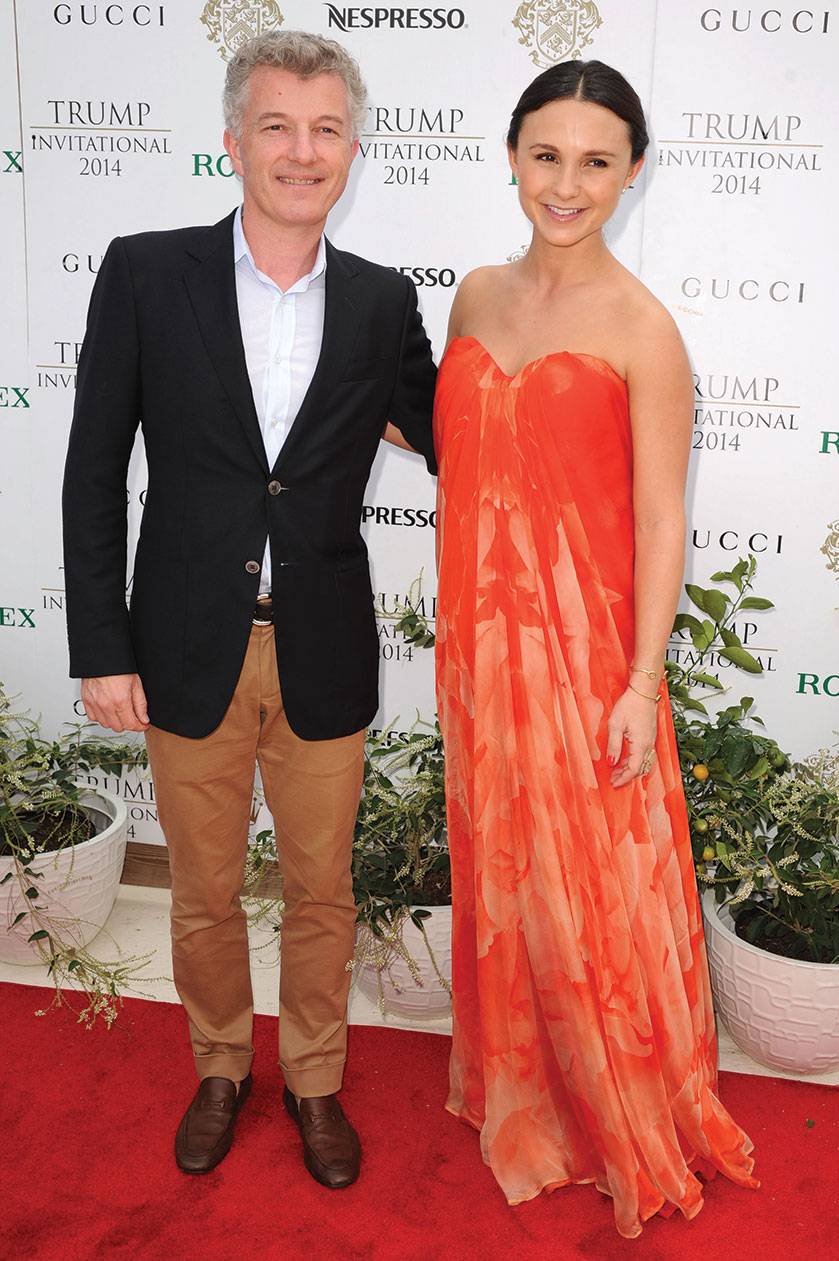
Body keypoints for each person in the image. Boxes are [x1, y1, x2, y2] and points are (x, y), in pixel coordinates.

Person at [62, 30, 436, 1188]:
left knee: (322, 892)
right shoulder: (144, 272)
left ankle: (314, 1079)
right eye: (277, 125)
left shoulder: (381, 301)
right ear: (232, 140)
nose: (301, 150)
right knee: (205, 890)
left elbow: (458, 435)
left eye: (325, 128)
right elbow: (92, 471)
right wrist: (101, 646)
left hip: (322, 644)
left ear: (353, 149)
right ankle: (221, 1065)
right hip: (184, 644)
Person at [432, 60, 758, 1238]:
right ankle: (529, 1086)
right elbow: (470, 452)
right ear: (512, 157)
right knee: (509, 869)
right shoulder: (472, 298)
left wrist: (636, 682)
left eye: (594, 161)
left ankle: (616, 1105)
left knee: (598, 890)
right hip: (481, 650)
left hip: (587, 662)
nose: (564, 183)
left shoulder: (642, 328)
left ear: (630, 173)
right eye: (545, 155)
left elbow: (662, 519)